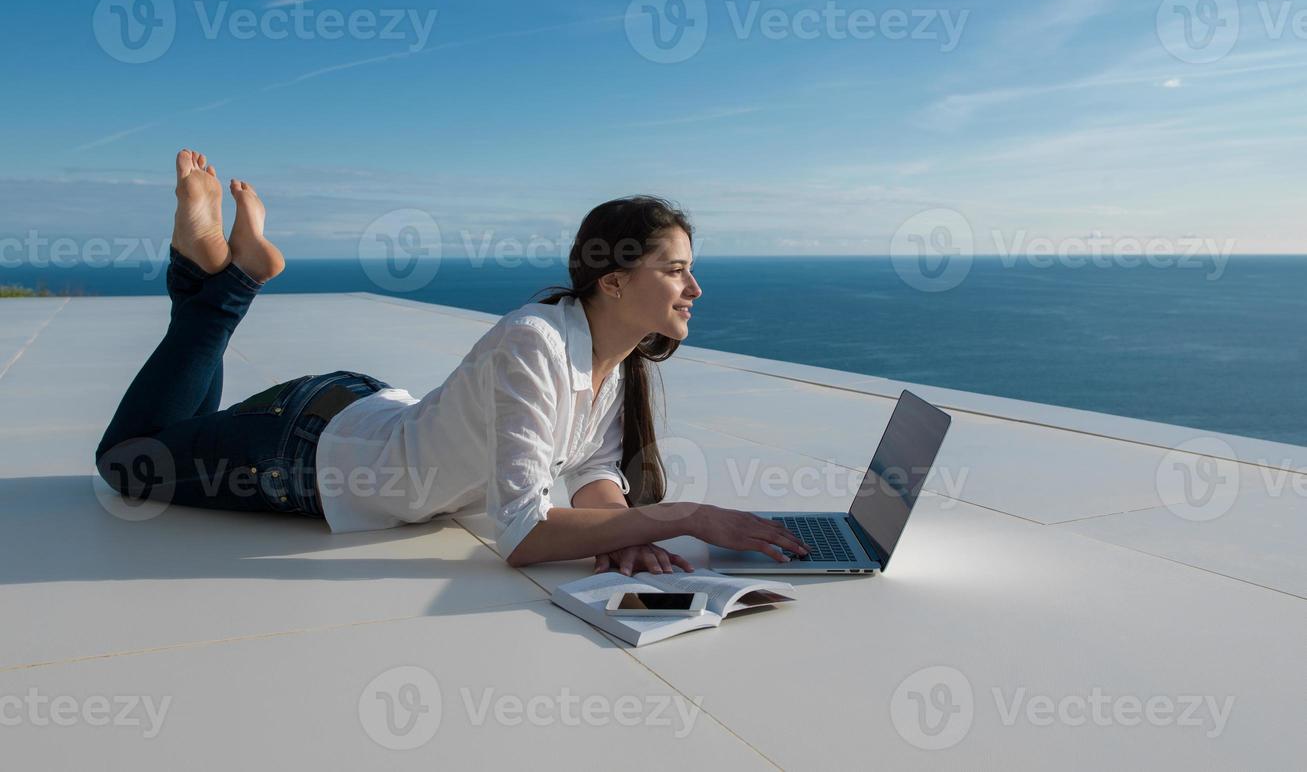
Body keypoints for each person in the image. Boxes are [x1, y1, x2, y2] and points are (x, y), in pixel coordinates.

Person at [95, 149, 810, 575]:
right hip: (310, 454)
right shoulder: (536, 339)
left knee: (183, 429)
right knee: (128, 462)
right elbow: (524, 532)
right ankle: (227, 279)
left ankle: (211, 267)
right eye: (677, 271)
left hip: (346, 411)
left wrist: (623, 530)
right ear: (613, 281)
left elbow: (593, 471)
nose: (695, 288)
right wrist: (680, 518)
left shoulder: (613, 357)